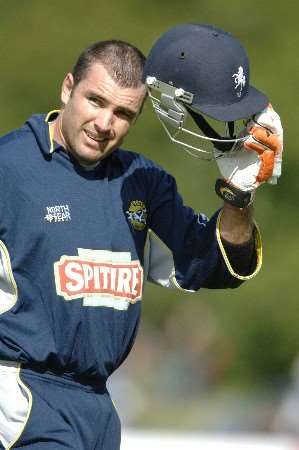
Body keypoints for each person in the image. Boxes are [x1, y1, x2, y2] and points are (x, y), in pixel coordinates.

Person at [0, 27, 282, 449]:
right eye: (95, 101)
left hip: (98, 407)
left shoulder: (143, 182)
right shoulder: (9, 167)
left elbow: (218, 265)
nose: (103, 123)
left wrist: (239, 197)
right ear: (67, 89)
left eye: (123, 113)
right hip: (21, 397)